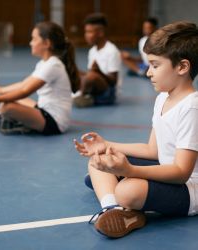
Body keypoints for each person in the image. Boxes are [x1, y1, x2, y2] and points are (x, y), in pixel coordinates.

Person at [74, 21, 198, 238]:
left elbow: (181, 172)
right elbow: (152, 150)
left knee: (127, 189)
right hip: (166, 171)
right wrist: (107, 145)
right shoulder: (162, 98)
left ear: (182, 67)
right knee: (100, 159)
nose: (148, 72)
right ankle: (113, 209)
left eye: (155, 65)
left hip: (190, 189)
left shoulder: (191, 107)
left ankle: (120, 200)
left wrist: (129, 172)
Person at [0, 21, 80, 135]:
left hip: (54, 122)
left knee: (7, 107)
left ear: (46, 43)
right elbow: (23, 84)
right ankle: (18, 119)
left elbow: (25, 91)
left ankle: (20, 123)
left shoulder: (53, 65)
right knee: (9, 100)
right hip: (43, 110)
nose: (30, 43)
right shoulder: (44, 63)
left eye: (34, 39)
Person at [73, 13, 121, 108]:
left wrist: (98, 72)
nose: (86, 35)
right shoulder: (92, 51)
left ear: (100, 33)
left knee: (92, 76)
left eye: (89, 32)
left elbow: (113, 81)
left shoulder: (112, 50)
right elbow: (90, 74)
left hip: (109, 93)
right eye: (86, 32)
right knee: (75, 72)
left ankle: (81, 96)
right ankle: (86, 96)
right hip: (96, 87)